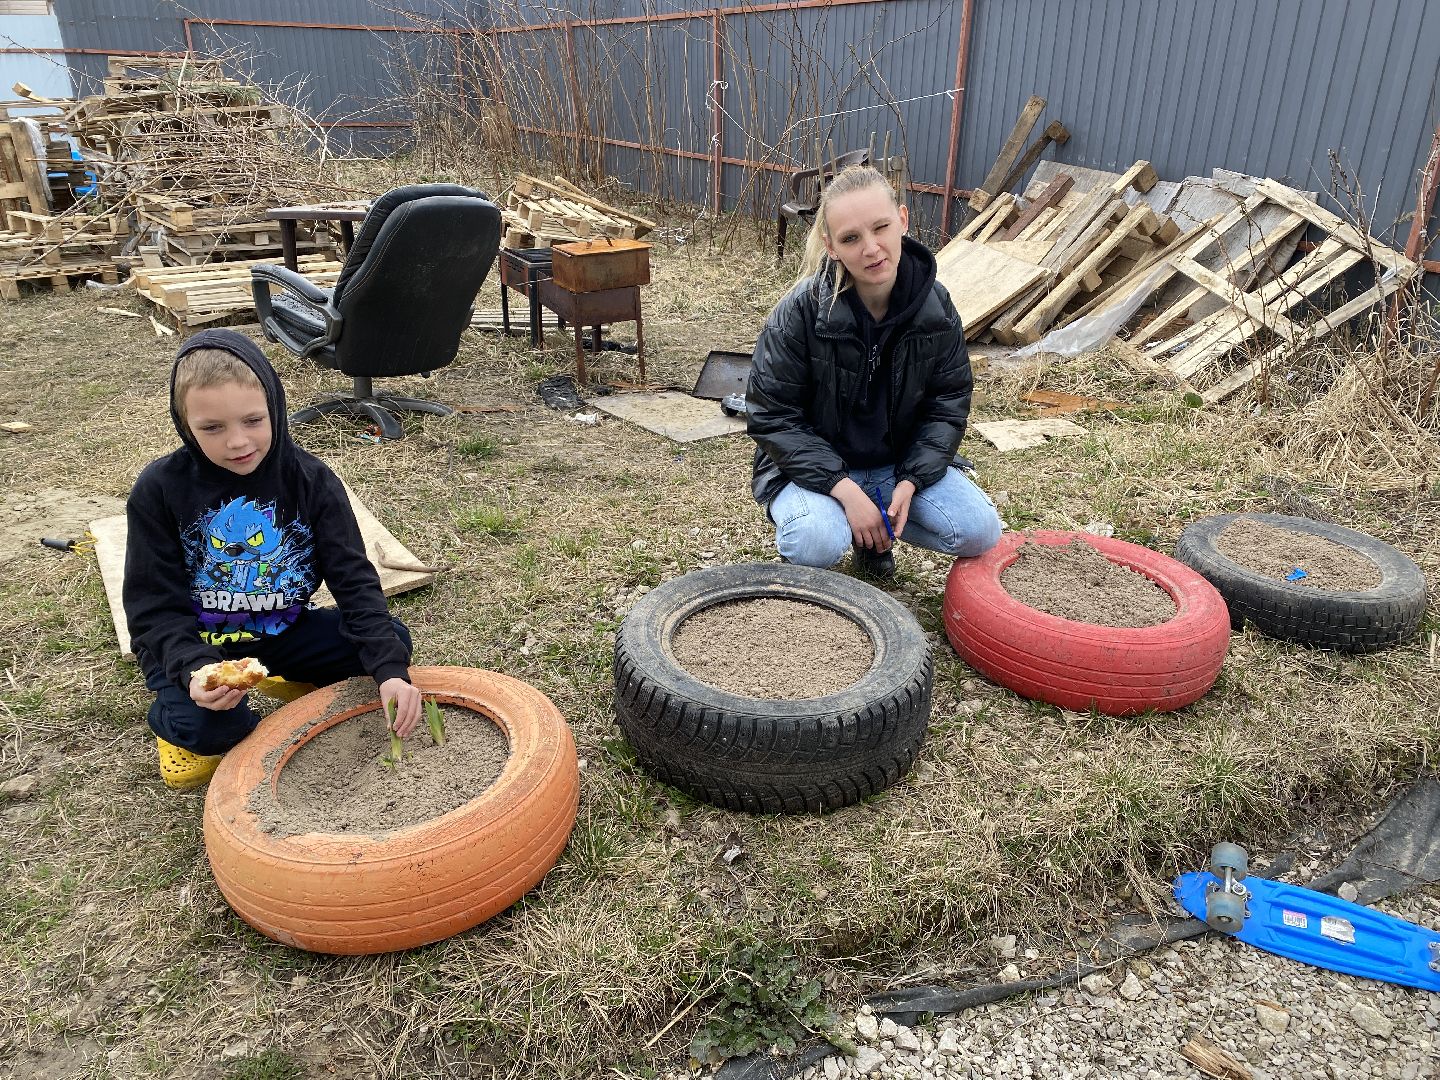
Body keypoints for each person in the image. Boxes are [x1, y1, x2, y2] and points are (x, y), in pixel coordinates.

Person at [123, 329, 423, 790]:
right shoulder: (159, 489)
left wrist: (389, 671)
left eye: (253, 420)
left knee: (391, 643)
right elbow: (153, 607)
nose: (238, 442)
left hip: (278, 628)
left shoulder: (311, 481)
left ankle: (278, 673)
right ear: (184, 423)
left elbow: (353, 579)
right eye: (212, 428)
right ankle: (173, 719)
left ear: (275, 408)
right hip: (198, 644)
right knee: (218, 730)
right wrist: (191, 670)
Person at [747, 163, 1002, 578]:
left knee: (979, 531)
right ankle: (848, 525)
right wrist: (844, 490)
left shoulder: (936, 308)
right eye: (851, 238)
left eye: (880, 227)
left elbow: (947, 404)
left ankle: (875, 531)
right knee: (816, 542)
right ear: (831, 247)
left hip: (895, 465)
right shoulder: (799, 312)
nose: (871, 248)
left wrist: (913, 480)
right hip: (815, 472)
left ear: (902, 220)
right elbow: (772, 416)